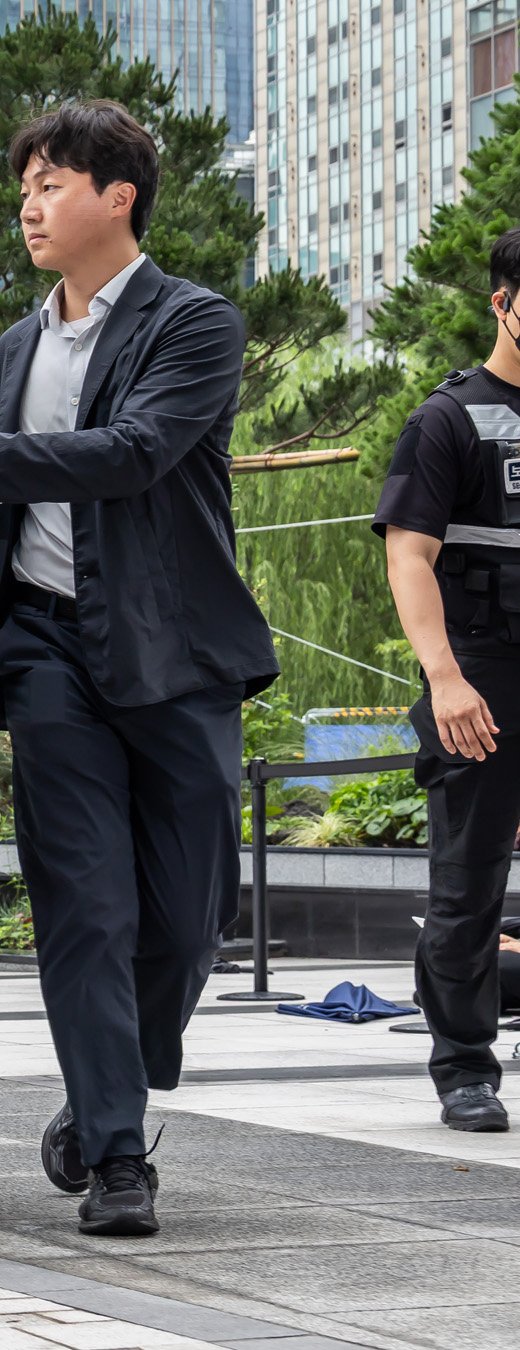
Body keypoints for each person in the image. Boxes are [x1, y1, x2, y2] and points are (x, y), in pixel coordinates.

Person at [0, 100, 278, 1236]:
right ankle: (116, 1152)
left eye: (49, 183)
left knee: (188, 923)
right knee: (83, 910)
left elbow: (133, 454)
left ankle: (108, 1092)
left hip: (173, 650)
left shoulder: (194, 323)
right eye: (24, 188)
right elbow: (43, 475)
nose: (29, 207)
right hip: (44, 644)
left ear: (116, 195)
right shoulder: (16, 341)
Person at [375, 225, 520, 1134]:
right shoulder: (450, 419)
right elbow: (410, 557)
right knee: (468, 882)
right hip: (483, 672)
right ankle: (464, 1065)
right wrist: (445, 679)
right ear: (504, 304)